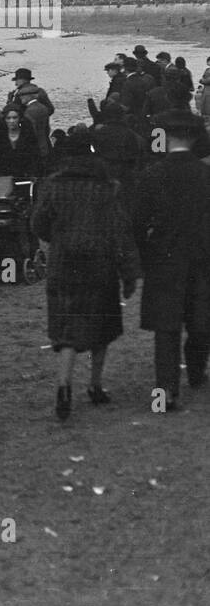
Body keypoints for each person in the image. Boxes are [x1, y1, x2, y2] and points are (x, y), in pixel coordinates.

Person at [31, 132, 140, 420]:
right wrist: (129, 274)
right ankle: (95, 385)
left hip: (63, 264)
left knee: (67, 330)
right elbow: (121, 233)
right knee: (101, 328)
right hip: (100, 266)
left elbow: (38, 223)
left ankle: (63, 387)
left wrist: (57, 238)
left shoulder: (53, 185)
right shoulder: (108, 188)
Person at [130, 110, 210, 410]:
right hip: (203, 259)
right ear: (193, 138)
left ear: (167, 138)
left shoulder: (152, 174)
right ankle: (197, 369)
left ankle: (164, 394)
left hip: (163, 259)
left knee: (166, 328)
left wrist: (146, 252)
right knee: (201, 321)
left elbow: (136, 222)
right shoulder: (206, 174)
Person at [89, 101, 144, 222]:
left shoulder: (99, 132)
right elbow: (135, 155)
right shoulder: (129, 134)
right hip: (124, 174)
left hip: (103, 174)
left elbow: (93, 152)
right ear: (121, 116)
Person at [0, 105, 41, 180]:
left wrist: (33, 174)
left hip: (24, 176)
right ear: (4, 119)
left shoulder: (28, 135)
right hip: (4, 177)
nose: (12, 121)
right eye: (8, 118)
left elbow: (35, 156)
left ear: (20, 118)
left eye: (15, 118)